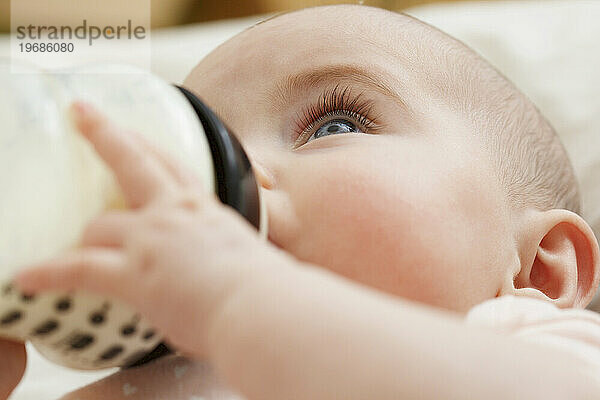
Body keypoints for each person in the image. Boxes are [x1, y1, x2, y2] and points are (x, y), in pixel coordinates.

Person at [4, 5, 600, 399]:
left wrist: (236, 296)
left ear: (540, 268)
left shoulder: (527, 348)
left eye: (334, 126)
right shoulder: (134, 375)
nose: (228, 181)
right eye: (208, 146)